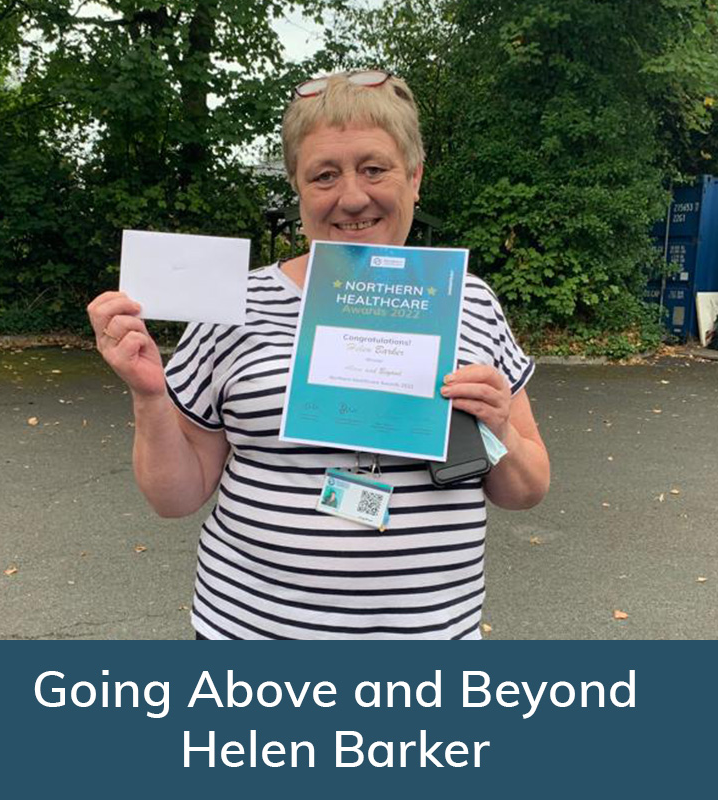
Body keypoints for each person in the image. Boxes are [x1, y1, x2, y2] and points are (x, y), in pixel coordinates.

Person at [87, 71, 550, 640]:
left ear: (415, 177)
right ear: (298, 189)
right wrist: (149, 396)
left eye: (374, 169)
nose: (352, 197)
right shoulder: (236, 305)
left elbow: (527, 489)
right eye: (324, 175)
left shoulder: (469, 302)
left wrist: (498, 431)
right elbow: (174, 498)